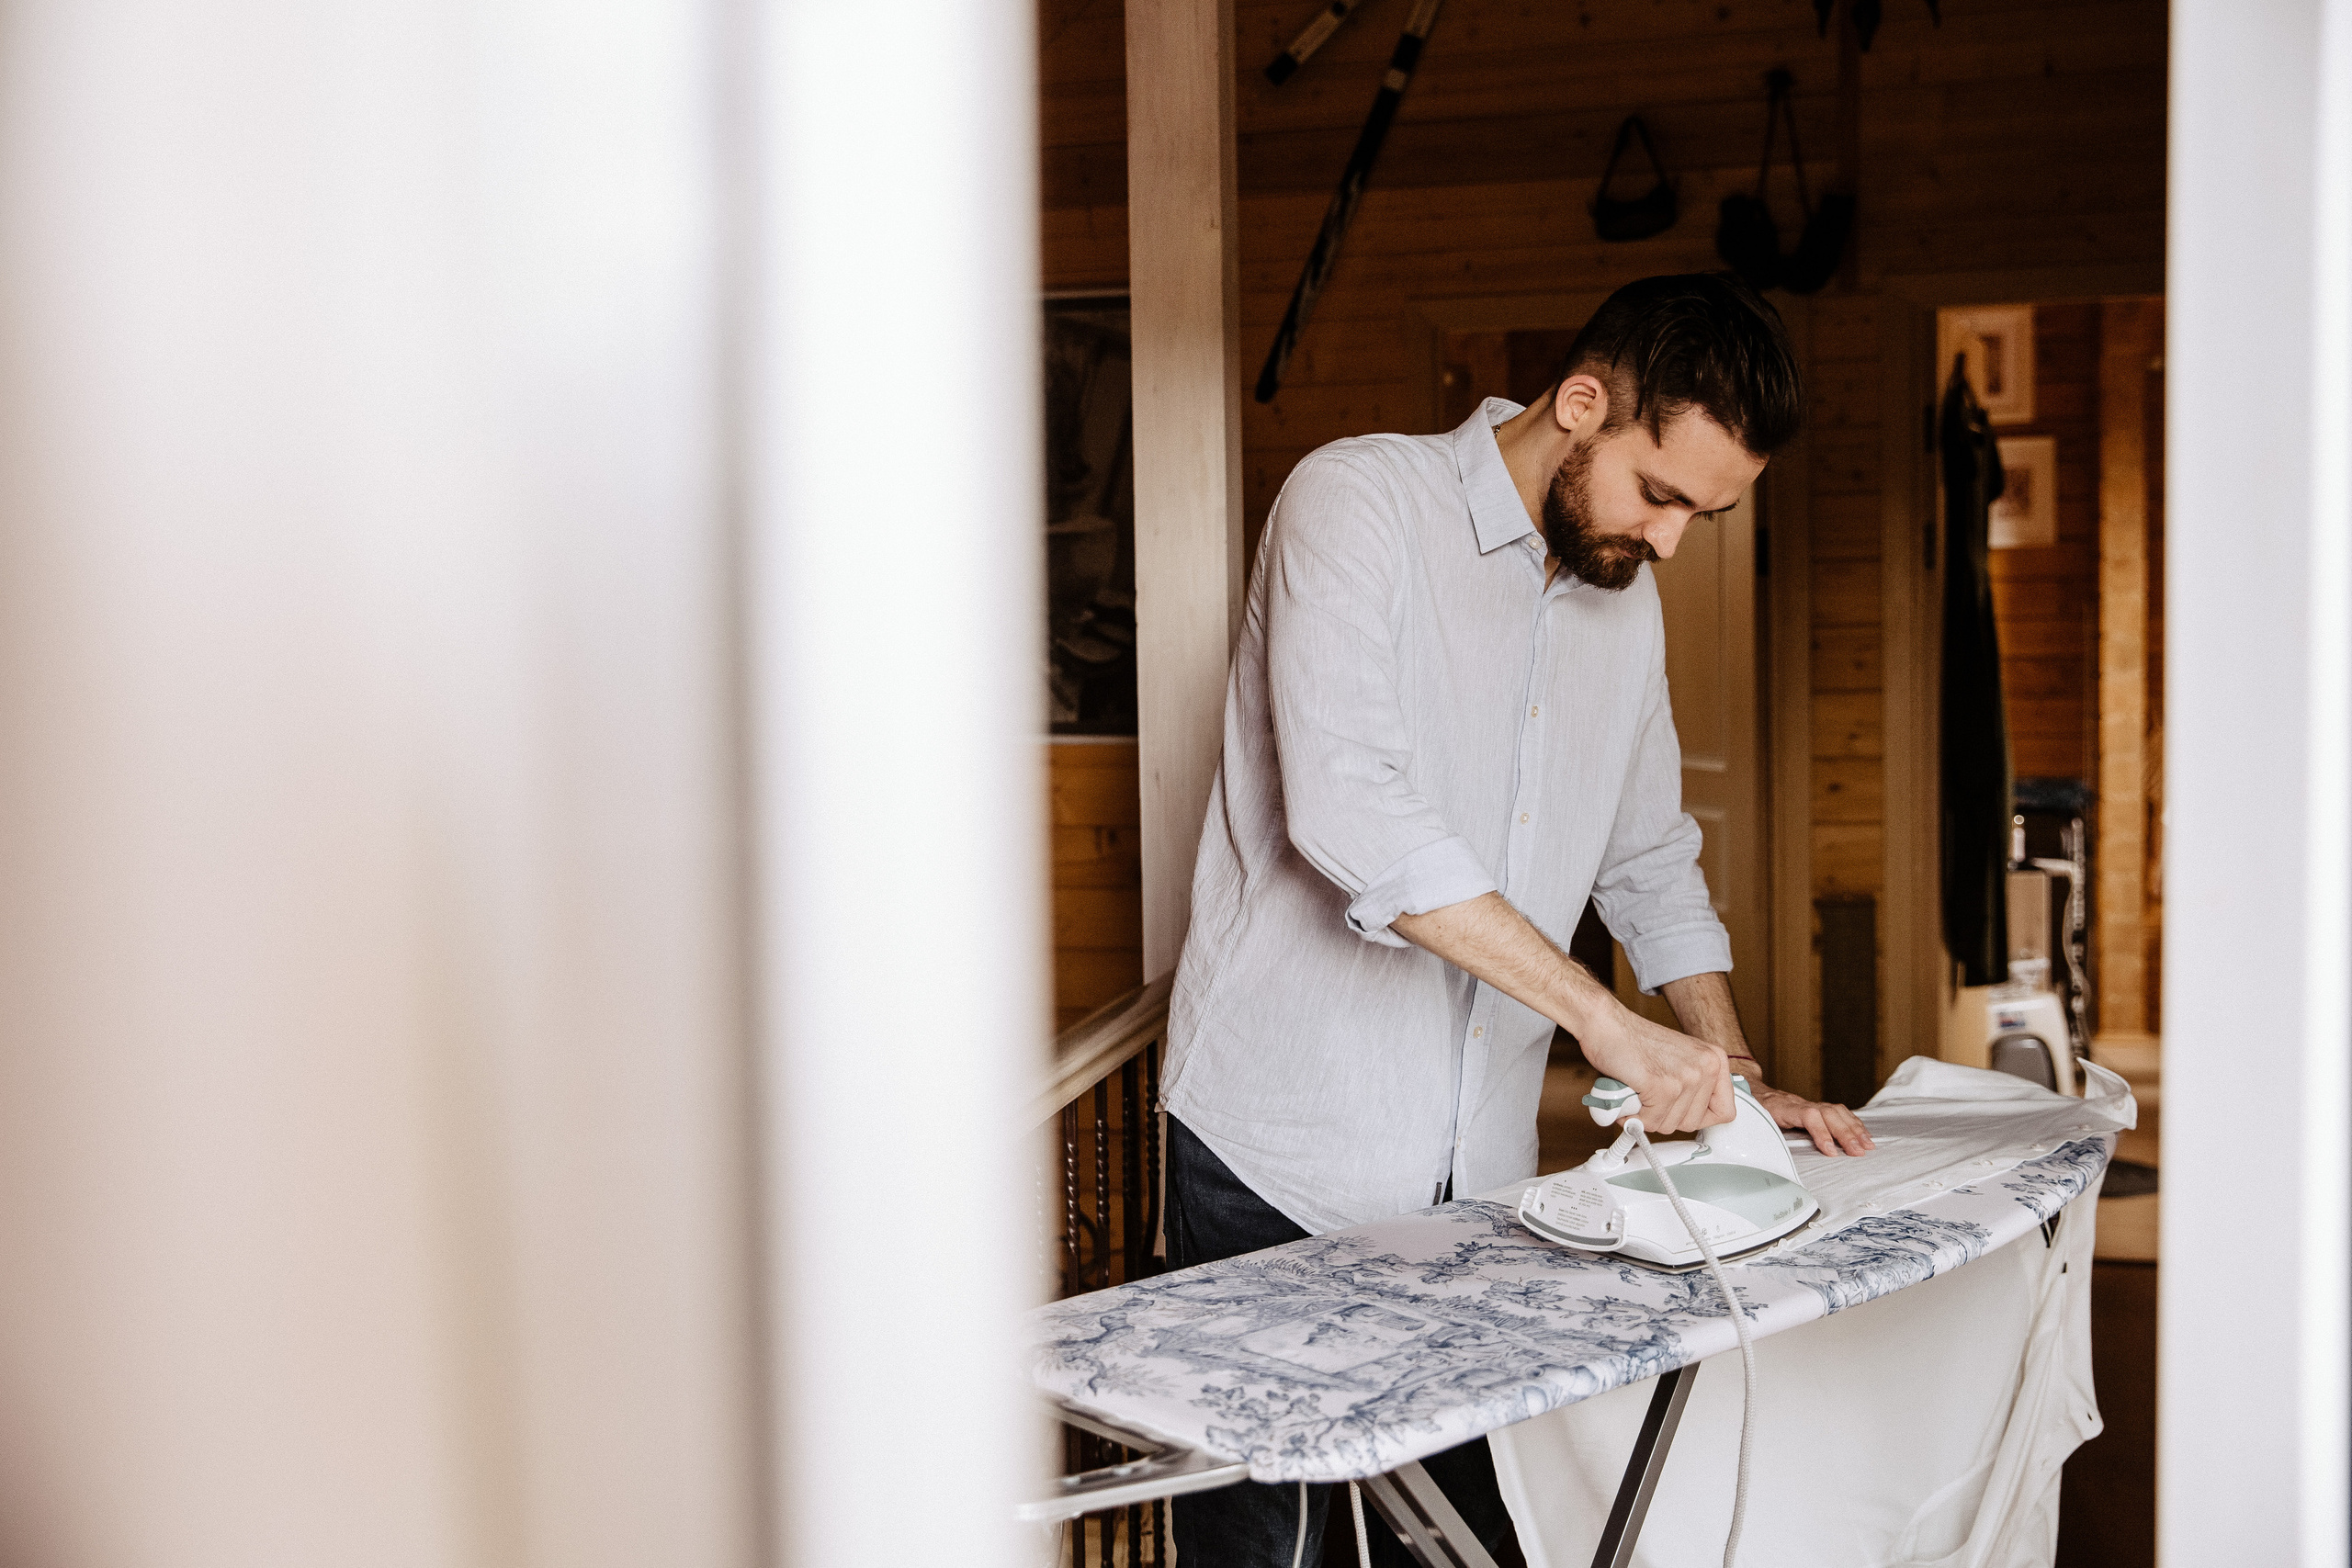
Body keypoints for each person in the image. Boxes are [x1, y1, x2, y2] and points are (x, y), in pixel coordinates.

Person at [1159, 272, 1875, 1566]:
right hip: (1279, 1148)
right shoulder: (1356, 502)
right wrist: (1607, 1026)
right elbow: (1351, 811)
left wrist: (1728, 1072)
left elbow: (1649, 856)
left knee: (1459, 1539)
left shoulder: (1627, 603)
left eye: (1703, 516)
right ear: (1582, 402)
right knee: (1272, 1551)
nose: (1670, 543)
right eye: (1662, 495)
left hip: (1477, 1177)